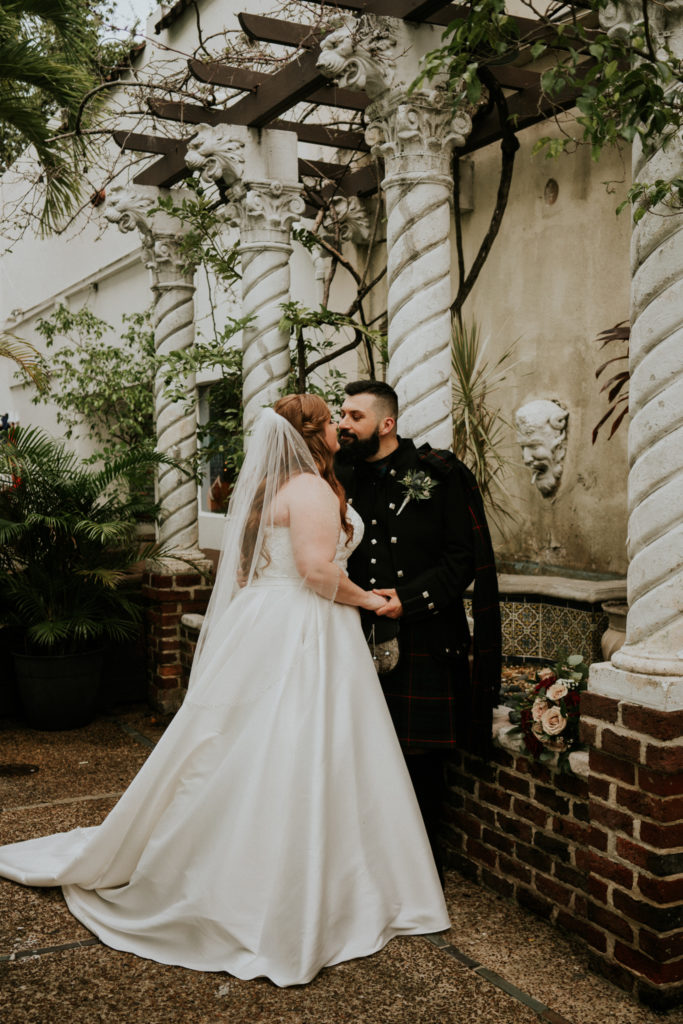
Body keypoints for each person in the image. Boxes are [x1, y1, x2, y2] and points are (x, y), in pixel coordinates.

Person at [0, 395, 449, 987]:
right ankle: (290, 890)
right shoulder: (311, 491)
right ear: (312, 433)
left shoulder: (268, 488)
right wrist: (372, 600)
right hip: (305, 628)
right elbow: (316, 573)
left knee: (247, 743)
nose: (341, 426)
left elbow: (246, 571)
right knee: (299, 745)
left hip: (267, 623)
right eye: (331, 419)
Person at [335, 380, 502, 878]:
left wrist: (408, 601)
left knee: (421, 761)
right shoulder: (337, 475)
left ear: (386, 424)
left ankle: (416, 873)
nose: (343, 424)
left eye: (354, 417)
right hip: (349, 633)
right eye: (341, 415)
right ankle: (363, 862)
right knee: (357, 751)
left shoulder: (440, 473)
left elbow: (464, 557)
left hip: (427, 637)